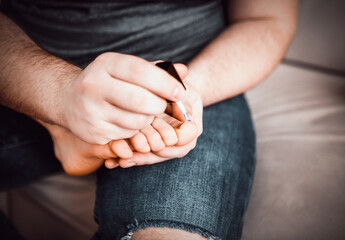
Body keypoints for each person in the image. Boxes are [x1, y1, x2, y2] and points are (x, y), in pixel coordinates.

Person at [0, 0, 298, 239]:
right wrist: (59, 97)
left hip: (194, 81)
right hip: (29, 84)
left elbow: (266, 18)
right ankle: (66, 134)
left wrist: (186, 94)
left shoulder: (187, 94)